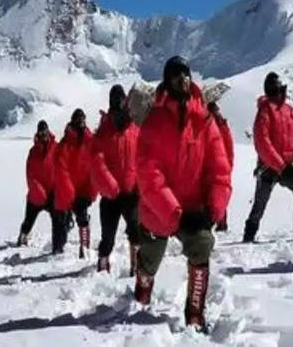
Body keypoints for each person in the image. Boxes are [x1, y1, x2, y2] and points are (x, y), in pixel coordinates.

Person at [135, 56, 232, 332]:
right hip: (159, 211)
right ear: (167, 81)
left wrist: (213, 209)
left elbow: (219, 169)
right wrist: (173, 211)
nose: (183, 79)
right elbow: (148, 174)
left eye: (186, 74)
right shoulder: (154, 122)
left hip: (193, 211)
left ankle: (195, 312)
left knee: (202, 245)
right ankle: (143, 286)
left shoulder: (204, 121)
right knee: (150, 260)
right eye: (176, 75)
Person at [242, 72, 293, 243]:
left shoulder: (289, 111)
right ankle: (248, 236)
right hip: (269, 168)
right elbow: (262, 143)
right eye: (279, 89)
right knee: (260, 203)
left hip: (286, 167)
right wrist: (282, 167)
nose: (281, 92)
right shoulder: (264, 111)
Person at [91, 85, 140, 274]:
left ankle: (135, 268)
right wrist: (108, 184)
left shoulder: (134, 129)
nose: (118, 102)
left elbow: (142, 157)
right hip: (110, 196)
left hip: (131, 192)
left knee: (136, 231)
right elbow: (96, 160)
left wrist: (141, 185)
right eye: (114, 99)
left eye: (120, 99)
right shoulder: (103, 130)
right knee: (108, 237)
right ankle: (103, 263)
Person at [18, 120, 68, 253]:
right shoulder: (33, 152)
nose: (43, 134)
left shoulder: (56, 148)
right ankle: (23, 236)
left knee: (58, 220)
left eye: (45, 131)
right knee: (29, 220)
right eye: (41, 132)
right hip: (37, 194)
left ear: (48, 131)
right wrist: (37, 190)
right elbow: (29, 174)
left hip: (52, 192)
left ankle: (58, 248)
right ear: (38, 133)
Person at [56, 108, 98, 258]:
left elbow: (96, 164)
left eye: (83, 120)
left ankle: (84, 247)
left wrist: (93, 188)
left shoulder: (90, 141)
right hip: (67, 190)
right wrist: (67, 190)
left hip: (84, 189)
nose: (81, 123)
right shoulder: (66, 143)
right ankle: (58, 247)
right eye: (78, 120)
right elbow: (61, 167)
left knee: (81, 215)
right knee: (63, 220)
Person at [206, 101, 234, 232]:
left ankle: (218, 221)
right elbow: (229, 147)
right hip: (221, 164)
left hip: (216, 164)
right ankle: (221, 222)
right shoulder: (222, 125)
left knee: (215, 193)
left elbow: (227, 146)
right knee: (220, 193)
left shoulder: (216, 125)